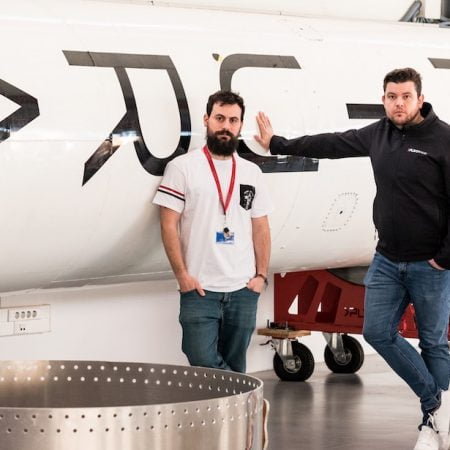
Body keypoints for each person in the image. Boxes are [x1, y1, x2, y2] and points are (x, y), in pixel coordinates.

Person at [255, 67, 450, 450]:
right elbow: (332, 143)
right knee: (378, 332)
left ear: (420, 99)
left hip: (431, 265)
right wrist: (278, 142)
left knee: (434, 345)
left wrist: (444, 258)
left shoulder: (443, 140)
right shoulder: (378, 134)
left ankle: (431, 427)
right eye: (391, 96)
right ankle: (439, 407)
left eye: (405, 97)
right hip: (388, 261)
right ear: (384, 99)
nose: (398, 103)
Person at [153, 90, 272, 373]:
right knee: (203, 362)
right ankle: (248, 400)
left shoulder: (251, 172)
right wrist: (182, 276)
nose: (226, 126)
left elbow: (261, 227)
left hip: (243, 288)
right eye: (219, 118)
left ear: (240, 125)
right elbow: (168, 224)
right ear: (206, 120)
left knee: (236, 366)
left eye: (233, 120)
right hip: (200, 288)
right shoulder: (182, 168)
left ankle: (240, 414)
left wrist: (261, 276)